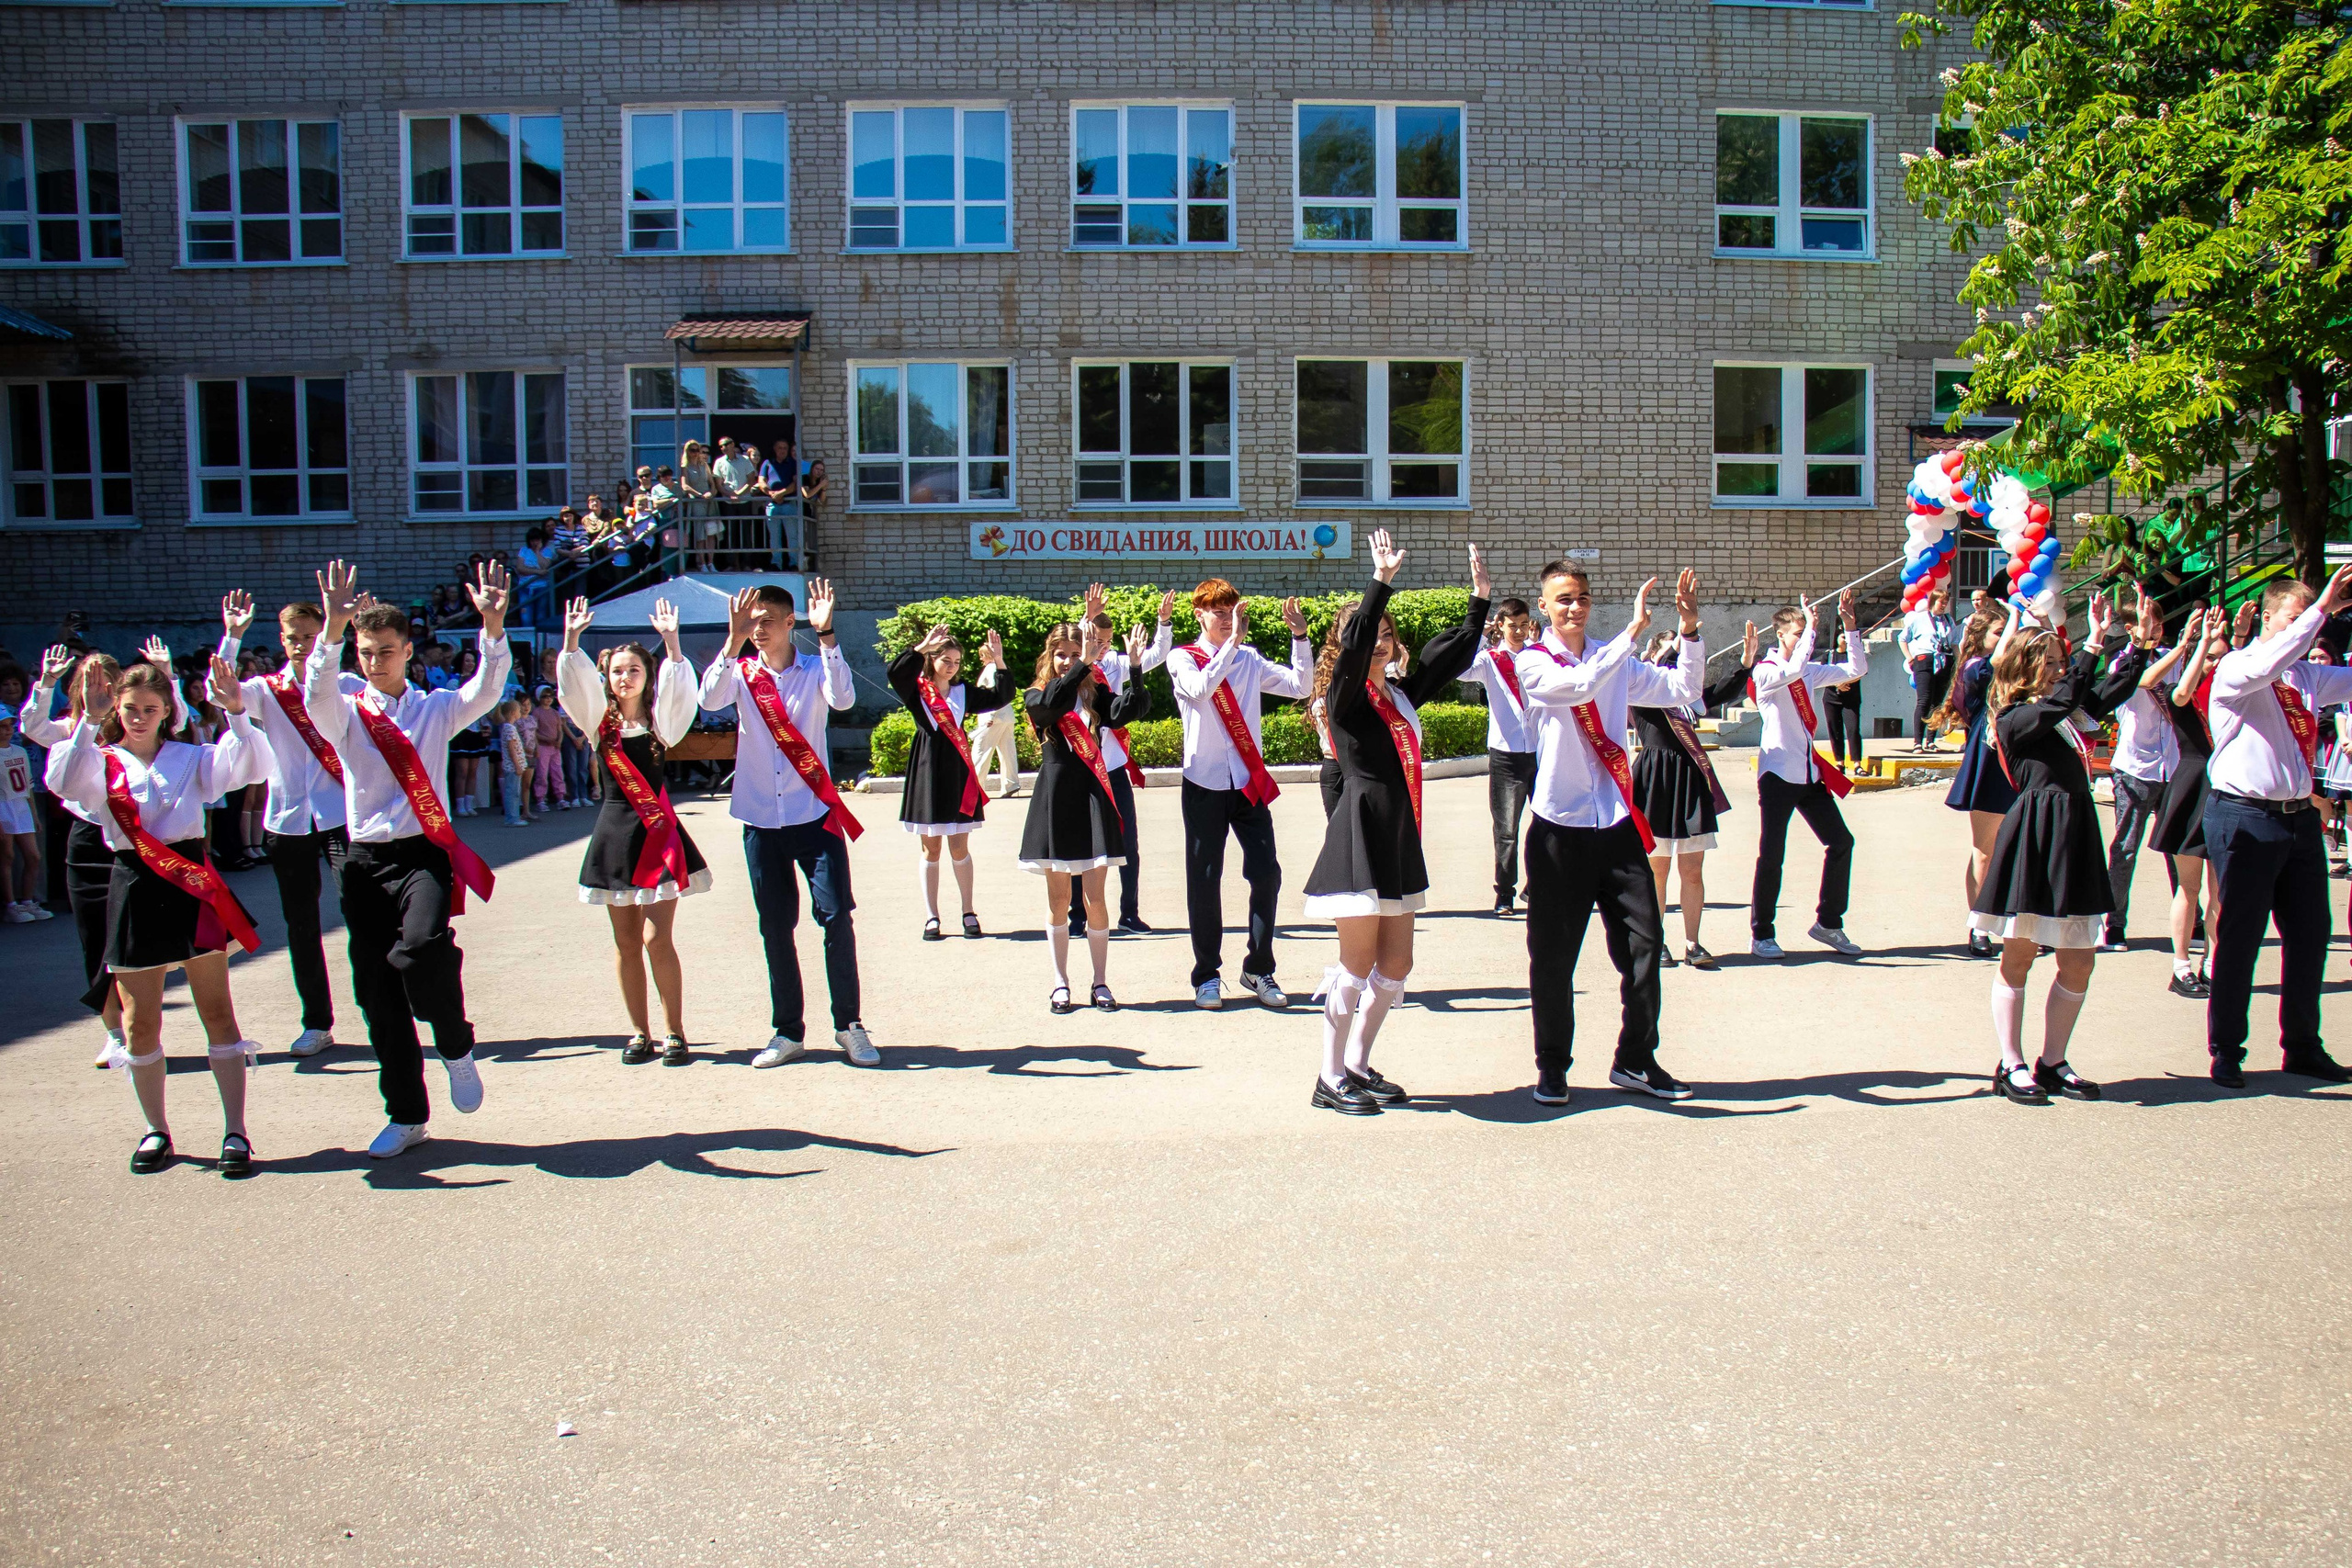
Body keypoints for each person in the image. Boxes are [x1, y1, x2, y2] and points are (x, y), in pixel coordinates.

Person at [305, 559, 512, 1159]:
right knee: (376, 992)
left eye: (386, 650)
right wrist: (331, 632)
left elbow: (488, 690)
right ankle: (406, 1114)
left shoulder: (435, 708)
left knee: (421, 949)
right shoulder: (345, 711)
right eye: (365, 651)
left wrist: (492, 628)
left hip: (422, 855)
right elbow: (315, 693)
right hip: (364, 857)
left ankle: (455, 1044)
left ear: (408, 649)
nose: (374, 661)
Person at [46, 658, 271, 1176]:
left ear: (169, 710)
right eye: (129, 709)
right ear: (115, 709)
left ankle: (235, 1130)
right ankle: (156, 1130)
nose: (139, 718)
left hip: (189, 880)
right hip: (131, 884)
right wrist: (85, 721)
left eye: (151, 709)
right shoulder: (98, 760)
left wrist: (237, 712)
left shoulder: (191, 757)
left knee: (217, 1012)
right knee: (139, 1022)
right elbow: (62, 782)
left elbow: (251, 767)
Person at [1299, 532, 1490, 1113]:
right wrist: (1379, 584)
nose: (1379, 644)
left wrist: (1479, 602)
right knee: (1355, 964)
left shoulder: (1401, 696)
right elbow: (1355, 652)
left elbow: (1447, 656)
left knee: (1398, 964)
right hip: (1359, 832)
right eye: (1370, 635)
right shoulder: (1344, 697)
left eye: (1387, 635)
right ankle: (1328, 1078)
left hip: (1399, 837)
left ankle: (1356, 1063)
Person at [1515, 563, 1706, 1104]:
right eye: (1564, 599)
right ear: (1545, 606)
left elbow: (1682, 689)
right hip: (1559, 830)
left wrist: (1688, 632)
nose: (1574, 608)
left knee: (1646, 947)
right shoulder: (1531, 661)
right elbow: (1577, 686)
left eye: (1582, 598)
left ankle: (1636, 1059)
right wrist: (1630, 637)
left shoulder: (1614, 657)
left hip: (1617, 825)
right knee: (1553, 959)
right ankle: (1552, 1066)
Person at [700, 581, 879, 1066]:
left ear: (787, 624)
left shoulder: (812, 671)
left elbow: (842, 699)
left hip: (813, 816)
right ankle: (788, 1031)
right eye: (751, 621)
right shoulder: (739, 673)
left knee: (836, 915)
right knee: (776, 928)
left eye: (765, 622)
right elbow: (709, 700)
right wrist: (731, 638)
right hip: (760, 818)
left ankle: (849, 1025)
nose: (757, 630)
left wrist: (827, 636)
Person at [1973, 592, 2142, 1104]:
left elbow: (2105, 692)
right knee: (2020, 954)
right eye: (2048, 663)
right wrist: (2091, 641)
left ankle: (2053, 1060)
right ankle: (2011, 1062)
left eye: (2060, 664)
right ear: (2025, 668)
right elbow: (2067, 698)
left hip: (2075, 833)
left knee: (2079, 960)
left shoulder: (2061, 711)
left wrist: (2136, 645)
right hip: (2037, 833)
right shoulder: (2012, 718)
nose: (2058, 671)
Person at [2201, 569, 2352, 1087]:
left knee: (2311, 935)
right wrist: (2322, 609)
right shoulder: (2240, 667)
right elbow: (2270, 660)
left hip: (2298, 819)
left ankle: (2303, 1046)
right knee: (2240, 936)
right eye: (2295, 619)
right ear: (2268, 618)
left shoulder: (2305, 677)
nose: (2307, 632)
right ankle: (2226, 1050)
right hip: (2245, 815)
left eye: (2311, 621)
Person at [557, 595, 707, 1065]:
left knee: (656, 938)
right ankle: (638, 1032)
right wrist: (571, 640)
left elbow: (683, 695)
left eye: (634, 670)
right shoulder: (596, 720)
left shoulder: (662, 723)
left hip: (658, 834)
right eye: (617, 671)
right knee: (624, 941)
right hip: (614, 835)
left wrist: (671, 643)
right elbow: (572, 686)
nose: (625, 677)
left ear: (648, 675)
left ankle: (675, 1032)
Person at [23, 641, 190, 1065]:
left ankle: (142, 1027)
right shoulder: (73, 729)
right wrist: (45, 683)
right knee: (95, 938)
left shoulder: (129, 729)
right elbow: (32, 724)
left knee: (137, 944)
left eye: (107, 680)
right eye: (90, 680)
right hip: (88, 838)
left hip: (135, 842)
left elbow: (180, 719)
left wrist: (165, 672)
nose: (99, 686)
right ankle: (114, 1031)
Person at [216, 591, 359, 1058]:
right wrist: (233, 638)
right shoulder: (264, 689)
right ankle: (316, 1022)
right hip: (287, 819)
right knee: (302, 926)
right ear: (282, 640)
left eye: (310, 636)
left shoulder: (349, 684)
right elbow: (225, 690)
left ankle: (380, 1007)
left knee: (361, 912)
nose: (301, 644)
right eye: (293, 638)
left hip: (340, 813)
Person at [1169, 578, 1314, 1009]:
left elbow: (1299, 686)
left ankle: (1258, 968)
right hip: (1205, 782)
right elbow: (1200, 690)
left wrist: (1300, 637)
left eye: (1231, 610)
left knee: (1267, 872)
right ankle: (1206, 975)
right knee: (1205, 878)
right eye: (1217, 611)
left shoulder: (1249, 658)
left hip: (1247, 781)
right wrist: (1230, 647)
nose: (1226, 617)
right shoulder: (1183, 658)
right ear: (1199, 614)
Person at [1017, 606, 1152, 1014]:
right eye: (1062, 654)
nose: (1070, 661)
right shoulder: (1036, 695)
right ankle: (1060, 982)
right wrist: (1085, 668)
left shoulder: (1094, 694)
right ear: (1049, 656)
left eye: (1076, 654)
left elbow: (1133, 709)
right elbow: (1051, 709)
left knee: (1096, 897)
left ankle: (1100, 982)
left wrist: (1135, 666)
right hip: (1056, 800)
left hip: (1093, 798)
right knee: (1060, 900)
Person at [1747, 590, 1867, 960]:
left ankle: (1828, 923)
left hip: (1809, 774)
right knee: (1772, 853)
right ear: (1780, 634)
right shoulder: (1766, 671)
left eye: (1807, 632)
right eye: (1799, 633)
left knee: (1841, 842)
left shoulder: (1808, 669)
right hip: (1778, 772)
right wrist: (1813, 625)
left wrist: (1851, 627)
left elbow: (1855, 670)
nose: (1806, 640)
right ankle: (1762, 933)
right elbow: (1793, 670)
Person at [1632, 621, 1757, 970]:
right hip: (1655, 781)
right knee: (1657, 870)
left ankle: (1693, 942)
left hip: (1688, 780)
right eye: (1669, 653)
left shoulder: (1687, 697)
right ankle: (1656, 940)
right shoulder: (1643, 686)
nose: (1676, 662)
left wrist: (1745, 664)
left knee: (1692, 870)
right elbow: (1658, 663)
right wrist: (1682, 636)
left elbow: (1720, 692)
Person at [888, 623, 1014, 940]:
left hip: (957, 773)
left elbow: (1002, 695)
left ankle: (968, 911)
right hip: (928, 770)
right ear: (933, 659)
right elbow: (895, 673)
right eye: (946, 660)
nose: (952, 667)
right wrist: (921, 647)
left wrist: (998, 662)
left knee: (960, 847)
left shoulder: (962, 693)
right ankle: (932, 917)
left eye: (957, 662)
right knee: (931, 849)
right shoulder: (917, 689)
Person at [1069, 588, 1172, 935]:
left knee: (1129, 843)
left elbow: (1155, 655)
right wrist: (1086, 615)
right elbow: (1073, 646)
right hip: (1081, 767)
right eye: (1097, 640)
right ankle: (1076, 917)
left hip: (1112, 765)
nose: (1102, 647)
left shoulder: (1112, 663)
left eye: (1107, 641)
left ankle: (1129, 913)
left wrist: (1164, 623)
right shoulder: (1071, 667)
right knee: (1079, 843)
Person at [2100, 592, 2191, 952]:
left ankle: (2191, 918)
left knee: (2180, 848)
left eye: (2159, 622)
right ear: (2131, 628)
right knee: (2126, 848)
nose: (2156, 630)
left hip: (2173, 765)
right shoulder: (2121, 663)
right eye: (2148, 623)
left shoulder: (2174, 658)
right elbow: (2142, 681)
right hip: (2136, 766)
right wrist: (2180, 649)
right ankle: (2115, 922)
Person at [2148, 607, 2226, 997]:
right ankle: (2181, 967)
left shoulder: (2235, 695)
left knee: (2220, 890)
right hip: (2192, 787)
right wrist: (2193, 647)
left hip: (2227, 790)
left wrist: (2237, 639)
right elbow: (2152, 683)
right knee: (2190, 887)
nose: (2216, 663)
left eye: (2221, 657)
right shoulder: (2184, 695)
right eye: (2211, 656)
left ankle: (2213, 961)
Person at [1939, 608, 2016, 953]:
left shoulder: (2011, 672)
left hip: (2016, 764)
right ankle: (1979, 925)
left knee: (2016, 850)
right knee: (1985, 850)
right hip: (1987, 765)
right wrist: (2015, 613)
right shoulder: (1976, 668)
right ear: (1980, 637)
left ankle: (2019, 921)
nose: (2006, 639)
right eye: (1999, 632)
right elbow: (1999, 660)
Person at [1464, 596, 1537, 917]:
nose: (1518, 631)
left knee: (1549, 824)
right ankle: (1504, 892)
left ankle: (1537, 885)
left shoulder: (1540, 657)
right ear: (1502, 626)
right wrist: (1482, 632)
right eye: (1512, 626)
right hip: (1506, 756)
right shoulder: (1490, 660)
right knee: (1506, 828)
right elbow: (1462, 670)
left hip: (1542, 751)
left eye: (1523, 625)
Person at [0, 704, 50, 923]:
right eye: (2, 727)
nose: (7, 730)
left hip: (21, 806)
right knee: (7, 856)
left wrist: (34, 815)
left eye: (9, 725)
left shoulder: (20, 752)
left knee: (33, 856)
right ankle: (11, 905)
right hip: (3, 807)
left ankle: (28, 901)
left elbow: (28, 786)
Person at [1900, 586, 1958, 751]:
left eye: (1946, 602)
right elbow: (1902, 638)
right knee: (1924, 700)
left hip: (1945, 659)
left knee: (1937, 702)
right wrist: (1910, 657)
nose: (1944, 605)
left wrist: (1959, 661)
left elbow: (1953, 642)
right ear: (1933, 601)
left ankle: (1931, 740)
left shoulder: (1948, 620)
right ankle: (1918, 740)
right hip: (1925, 659)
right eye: (1941, 602)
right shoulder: (1919, 619)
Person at [968, 679, 1022, 799]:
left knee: (981, 751)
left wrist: (991, 716)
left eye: (982, 657)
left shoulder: (991, 669)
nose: (981, 658)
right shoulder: (1000, 668)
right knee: (1007, 751)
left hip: (993, 718)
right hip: (1006, 716)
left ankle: (975, 788)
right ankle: (1011, 784)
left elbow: (995, 694)